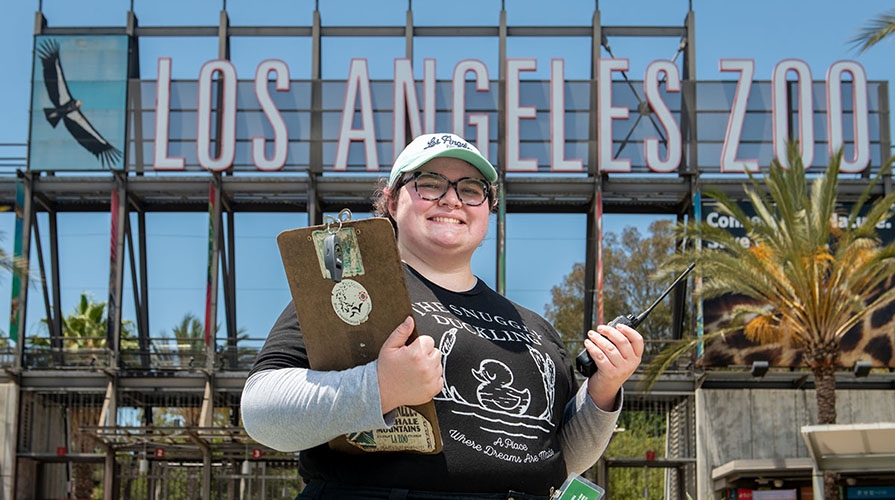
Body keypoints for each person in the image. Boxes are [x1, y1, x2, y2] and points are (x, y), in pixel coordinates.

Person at [240, 132, 643, 500]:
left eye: (471, 190)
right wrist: (380, 386)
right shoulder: (351, 290)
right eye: (429, 184)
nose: (451, 200)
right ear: (392, 201)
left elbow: (560, 459)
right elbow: (261, 413)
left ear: (489, 210)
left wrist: (603, 391)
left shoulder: (534, 327)